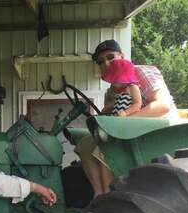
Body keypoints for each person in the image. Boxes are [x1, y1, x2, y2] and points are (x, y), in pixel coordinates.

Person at [76, 39, 178, 196]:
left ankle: (110, 199)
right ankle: (99, 196)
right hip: (132, 134)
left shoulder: (141, 72)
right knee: (85, 145)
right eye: (101, 61)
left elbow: (162, 105)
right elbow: (111, 116)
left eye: (111, 57)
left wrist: (123, 123)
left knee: (107, 149)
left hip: (159, 130)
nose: (106, 63)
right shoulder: (113, 89)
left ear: (122, 56)